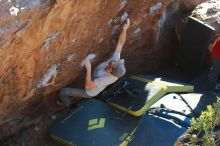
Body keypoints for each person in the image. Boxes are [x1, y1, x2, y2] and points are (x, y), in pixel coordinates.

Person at [58, 19, 130, 106]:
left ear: (111, 72)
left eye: (113, 65)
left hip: (89, 91)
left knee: (64, 92)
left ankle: (67, 106)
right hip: (94, 77)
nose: (113, 62)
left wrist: (89, 68)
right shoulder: (115, 63)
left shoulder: (107, 79)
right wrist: (125, 29)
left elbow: (88, 85)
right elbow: (120, 43)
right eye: (115, 63)